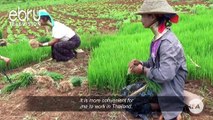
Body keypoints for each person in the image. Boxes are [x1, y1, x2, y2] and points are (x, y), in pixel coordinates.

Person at [128, 0, 188, 119]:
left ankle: (174, 112)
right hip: (161, 84)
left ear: (153, 16)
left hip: (170, 87)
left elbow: (166, 75)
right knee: (130, 100)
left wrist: (144, 70)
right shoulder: (157, 39)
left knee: (137, 104)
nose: (141, 19)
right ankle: (161, 106)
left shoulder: (168, 43)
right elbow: (152, 62)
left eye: (143, 15)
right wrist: (141, 63)